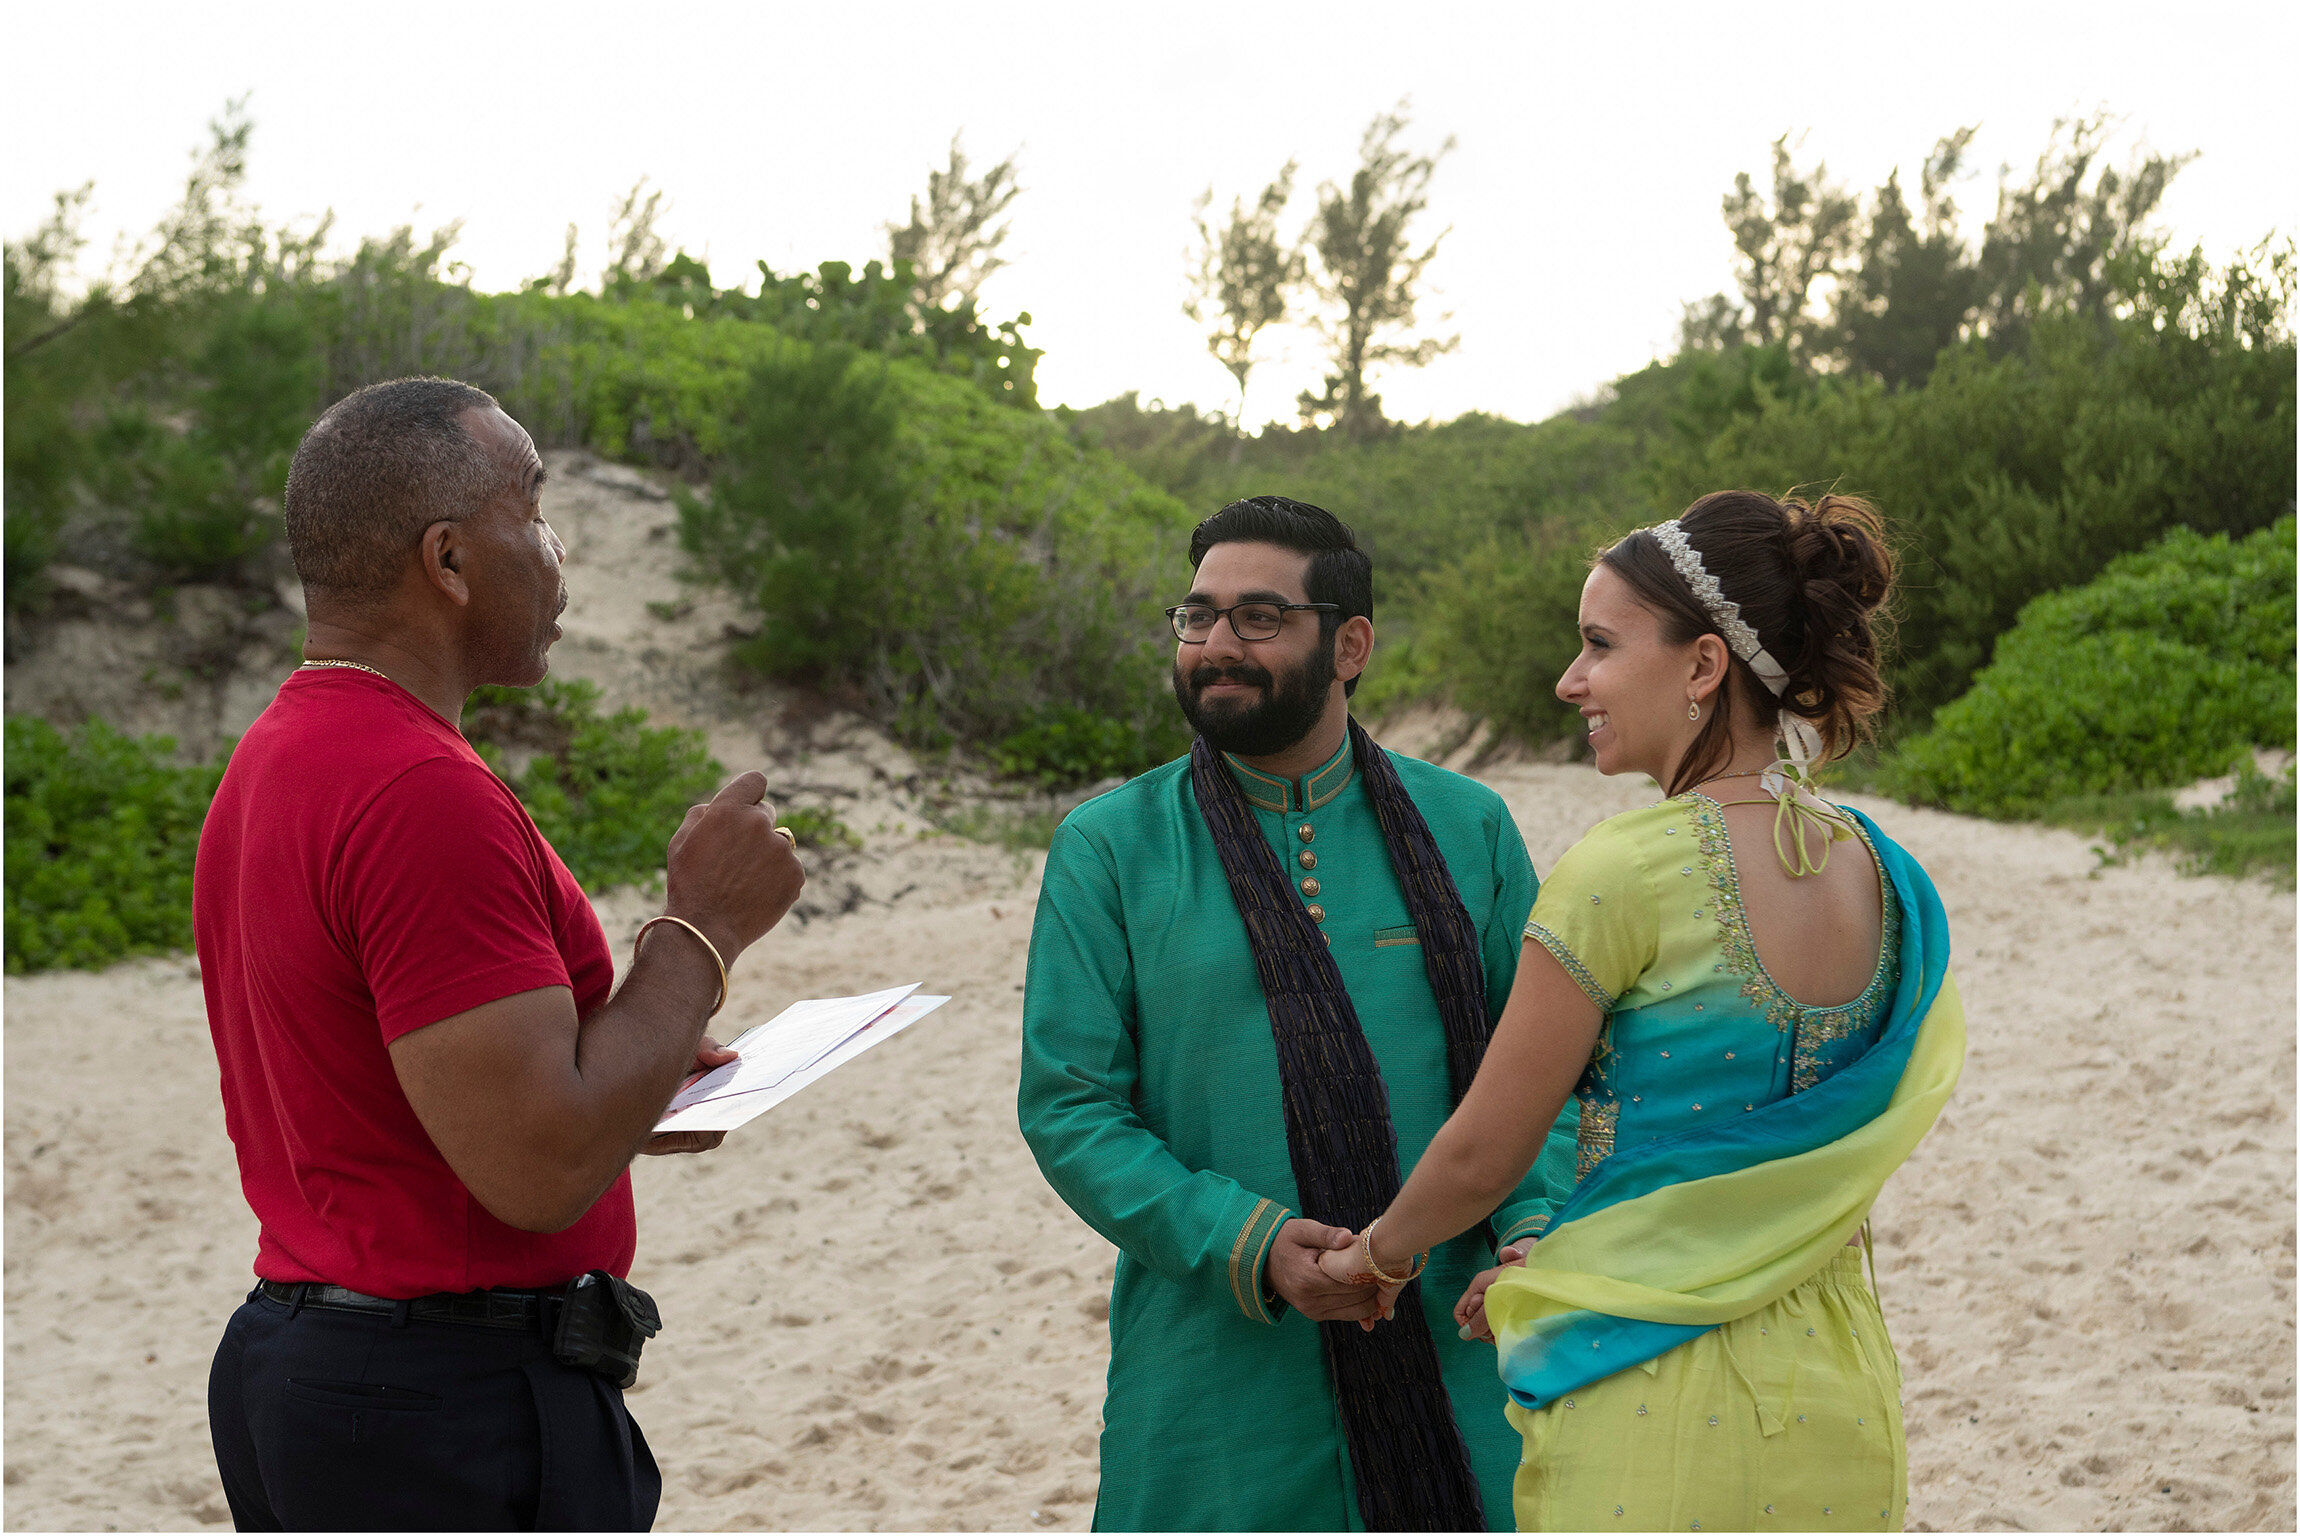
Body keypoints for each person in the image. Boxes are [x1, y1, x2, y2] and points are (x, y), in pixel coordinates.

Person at [196, 377, 806, 1530]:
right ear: (450, 560)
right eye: (531, 509)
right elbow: (535, 1167)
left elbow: (395, 1085)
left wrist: (637, 1060)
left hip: (331, 1369)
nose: (557, 549)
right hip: (439, 1414)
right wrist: (704, 927)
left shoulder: (281, 754)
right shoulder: (417, 791)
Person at [1316, 490, 1965, 1532]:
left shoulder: (1624, 870)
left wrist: (1376, 1256)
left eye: (1599, 645)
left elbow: (1486, 1151)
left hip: (1653, 1386)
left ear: (1703, 666)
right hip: (1838, 1385)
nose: (1571, 680)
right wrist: (1563, 1251)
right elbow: (1734, 1161)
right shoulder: (1884, 877)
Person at [1018, 495, 1580, 1532]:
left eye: (1258, 618)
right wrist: (1252, 1244)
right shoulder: (1112, 848)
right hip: (1219, 1371)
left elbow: (1538, 1067)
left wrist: (1533, 1229)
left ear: (1349, 642)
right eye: (1196, 618)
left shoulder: (1469, 828)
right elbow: (1069, 1109)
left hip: (1464, 1342)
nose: (1216, 645)